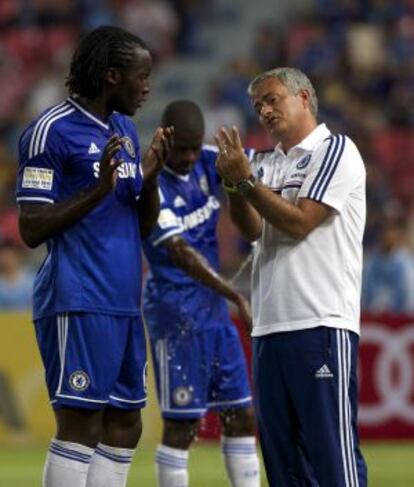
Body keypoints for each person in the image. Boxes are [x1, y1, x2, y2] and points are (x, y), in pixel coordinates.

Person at [15, 26, 173, 487]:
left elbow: (140, 224)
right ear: (110, 76)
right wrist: (97, 191)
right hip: (78, 297)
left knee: (126, 424)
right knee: (81, 425)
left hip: (124, 299)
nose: (147, 88)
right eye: (141, 77)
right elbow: (31, 228)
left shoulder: (122, 129)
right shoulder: (50, 132)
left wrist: (151, 178)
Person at [215, 67, 368, 487]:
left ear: (304, 97)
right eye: (258, 104)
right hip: (268, 327)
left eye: (272, 98)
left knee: (332, 456)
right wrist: (233, 183)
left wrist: (244, 180)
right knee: (283, 463)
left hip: (319, 321)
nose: (264, 110)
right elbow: (251, 230)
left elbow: (301, 222)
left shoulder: (335, 150)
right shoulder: (263, 163)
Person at [142, 100, 260, 487]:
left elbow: (259, 169)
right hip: (176, 316)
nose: (191, 156)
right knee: (183, 425)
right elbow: (182, 254)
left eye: (196, 146)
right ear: (164, 139)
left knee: (241, 416)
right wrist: (236, 295)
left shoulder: (210, 160)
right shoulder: (150, 183)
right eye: (182, 148)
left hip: (212, 311)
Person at [362, 219, 414, 313]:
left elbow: (410, 292)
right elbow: (365, 289)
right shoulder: (371, 262)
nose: (388, 237)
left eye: (392, 233)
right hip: (372, 316)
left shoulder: (406, 263)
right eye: (385, 233)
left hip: (401, 317)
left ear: (398, 236)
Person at [0, 238, 34, 310]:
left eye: (9, 256)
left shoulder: (30, 281)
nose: (6, 260)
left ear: (17, 256)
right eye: (3, 257)